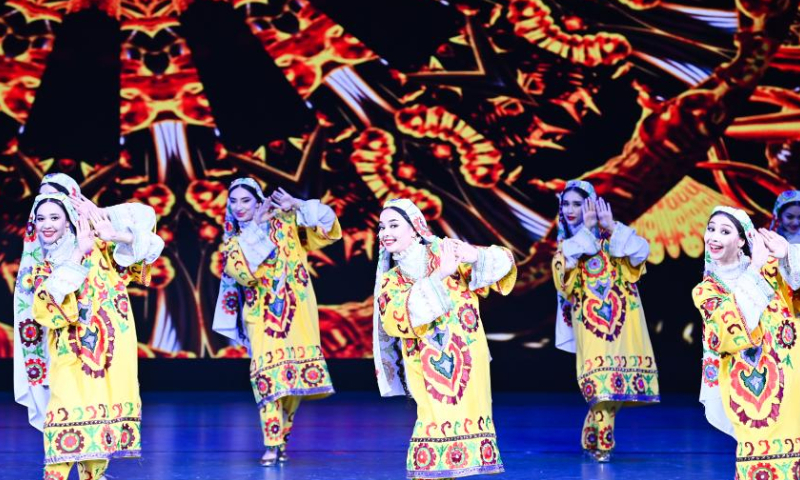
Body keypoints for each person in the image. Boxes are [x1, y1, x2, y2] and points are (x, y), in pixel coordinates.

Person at [373, 198, 516, 479]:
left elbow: (504, 263)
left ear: (415, 229)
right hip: (425, 368)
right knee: (430, 434)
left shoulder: (446, 250)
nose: (384, 233)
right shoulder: (393, 279)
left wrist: (474, 256)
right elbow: (396, 320)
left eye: (393, 225)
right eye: (381, 227)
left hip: (466, 361)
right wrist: (439, 276)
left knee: (450, 448)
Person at [14, 173, 163, 432]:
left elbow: (148, 230)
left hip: (105, 342)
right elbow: (39, 306)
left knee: (103, 405)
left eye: (57, 197)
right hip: (63, 338)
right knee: (64, 405)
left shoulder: (100, 241)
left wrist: (105, 222)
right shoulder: (38, 257)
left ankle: (94, 469)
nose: (48, 204)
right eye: (42, 199)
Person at [212, 178, 341, 466]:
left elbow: (328, 228)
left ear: (259, 201)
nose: (239, 207)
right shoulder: (234, 241)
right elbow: (245, 275)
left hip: (298, 314)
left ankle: (281, 437)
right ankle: (272, 443)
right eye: (234, 201)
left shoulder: (287, 225)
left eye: (246, 200)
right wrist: (255, 230)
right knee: (267, 378)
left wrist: (298, 205)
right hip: (262, 318)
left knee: (293, 382)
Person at [552, 180, 659, 462]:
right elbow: (563, 280)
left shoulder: (614, 240)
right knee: (601, 384)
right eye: (567, 204)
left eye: (579, 203)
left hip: (625, 322)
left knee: (617, 386)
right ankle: (604, 445)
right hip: (591, 324)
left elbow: (641, 253)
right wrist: (586, 232)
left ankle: (591, 435)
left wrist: (611, 228)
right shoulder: (567, 246)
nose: (572, 209)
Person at [692, 206, 800, 479]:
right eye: (711, 229)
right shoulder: (707, 289)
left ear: (742, 241)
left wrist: (788, 253)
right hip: (750, 392)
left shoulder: (771, 270)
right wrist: (754, 267)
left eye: (724, 231)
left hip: (791, 380)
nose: (714, 237)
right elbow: (730, 330)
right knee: (758, 462)